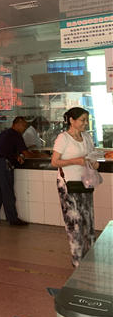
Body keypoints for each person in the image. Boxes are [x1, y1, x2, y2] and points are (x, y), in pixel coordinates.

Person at [51, 107, 99, 268]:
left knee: (88, 220)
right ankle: (78, 260)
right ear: (72, 120)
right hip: (67, 185)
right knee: (75, 223)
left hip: (85, 183)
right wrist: (75, 161)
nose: (86, 123)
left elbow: (92, 157)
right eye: (83, 120)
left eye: (87, 120)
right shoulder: (63, 138)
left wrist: (94, 163)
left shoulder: (87, 137)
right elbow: (54, 162)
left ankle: (90, 257)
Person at [0, 117, 48, 226]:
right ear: (17, 124)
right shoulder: (16, 135)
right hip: (4, 165)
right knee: (7, 192)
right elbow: (26, 154)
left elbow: (4, 150)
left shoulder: (4, 133)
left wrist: (16, 156)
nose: (25, 129)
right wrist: (40, 156)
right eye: (24, 126)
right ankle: (13, 218)